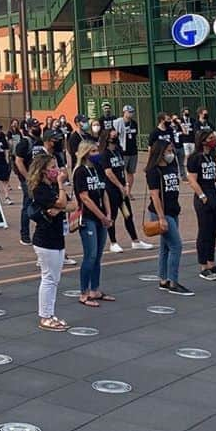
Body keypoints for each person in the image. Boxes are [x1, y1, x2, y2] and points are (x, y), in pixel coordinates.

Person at [145, 140, 193, 295]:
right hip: (162, 212)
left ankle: (163, 279)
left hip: (173, 210)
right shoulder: (153, 170)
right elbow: (154, 195)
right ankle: (173, 281)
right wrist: (161, 217)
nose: (171, 154)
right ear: (161, 152)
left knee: (166, 246)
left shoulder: (171, 166)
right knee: (176, 246)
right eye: (168, 151)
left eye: (171, 150)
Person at [27, 152, 68, 330]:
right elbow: (61, 203)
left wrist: (60, 207)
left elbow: (69, 204)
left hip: (57, 236)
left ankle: (50, 313)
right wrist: (60, 186)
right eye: (52, 168)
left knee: (55, 278)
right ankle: (45, 316)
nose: (56, 171)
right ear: (43, 171)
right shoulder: (40, 189)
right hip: (45, 239)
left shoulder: (51, 187)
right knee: (49, 278)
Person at [73, 141, 113, 307]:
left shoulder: (98, 170)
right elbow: (84, 197)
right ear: (86, 153)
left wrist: (108, 213)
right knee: (90, 255)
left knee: (98, 255)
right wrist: (101, 215)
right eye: (94, 151)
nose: (97, 153)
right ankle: (83, 292)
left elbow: (104, 193)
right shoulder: (80, 172)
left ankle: (94, 289)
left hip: (101, 216)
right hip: (88, 217)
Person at [100, 124, 151, 253]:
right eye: (112, 133)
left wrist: (127, 185)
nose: (115, 134)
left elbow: (123, 169)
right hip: (111, 189)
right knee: (113, 215)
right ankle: (113, 242)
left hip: (123, 188)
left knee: (128, 215)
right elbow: (108, 172)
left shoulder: (118, 150)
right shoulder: (105, 153)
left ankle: (135, 241)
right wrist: (119, 186)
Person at [186, 127, 216, 281]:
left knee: (214, 232)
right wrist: (202, 196)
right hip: (204, 195)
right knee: (204, 232)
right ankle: (203, 266)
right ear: (203, 141)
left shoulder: (211, 156)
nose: (214, 140)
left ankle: (212, 263)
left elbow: (215, 176)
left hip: (215, 194)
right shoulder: (194, 158)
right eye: (211, 138)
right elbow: (192, 179)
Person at [13, 122, 46, 246]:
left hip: (39, 177)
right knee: (28, 204)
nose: (38, 128)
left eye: (38, 126)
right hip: (28, 179)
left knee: (41, 203)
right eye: (35, 126)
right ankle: (25, 235)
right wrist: (27, 178)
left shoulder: (40, 141)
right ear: (28, 128)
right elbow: (19, 161)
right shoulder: (24, 142)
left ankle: (41, 231)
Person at [113, 105, 139, 195]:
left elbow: (135, 135)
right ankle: (121, 190)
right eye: (129, 112)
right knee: (121, 171)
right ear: (124, 112)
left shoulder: (134, 123)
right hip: (123, 151)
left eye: (132, 112)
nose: (130, 114)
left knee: (131, 172)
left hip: (133, 151)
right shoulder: (118, 123)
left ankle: (129, 192)